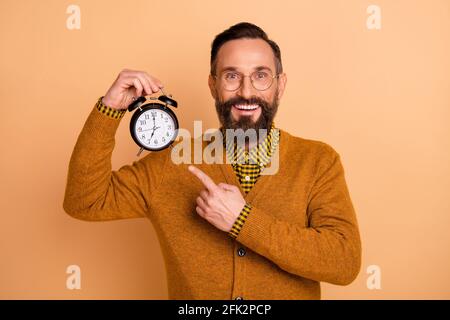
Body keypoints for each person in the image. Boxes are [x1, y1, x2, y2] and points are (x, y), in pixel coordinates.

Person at [63, 22, 361, 300]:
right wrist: (109, 108)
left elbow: (344, 261)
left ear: (280, 85)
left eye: (260, 76)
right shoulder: (170, 164)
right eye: (232, 76)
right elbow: (84, 201)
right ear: (212, 85)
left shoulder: (318, 161)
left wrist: (243, 221)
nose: (246, 91)